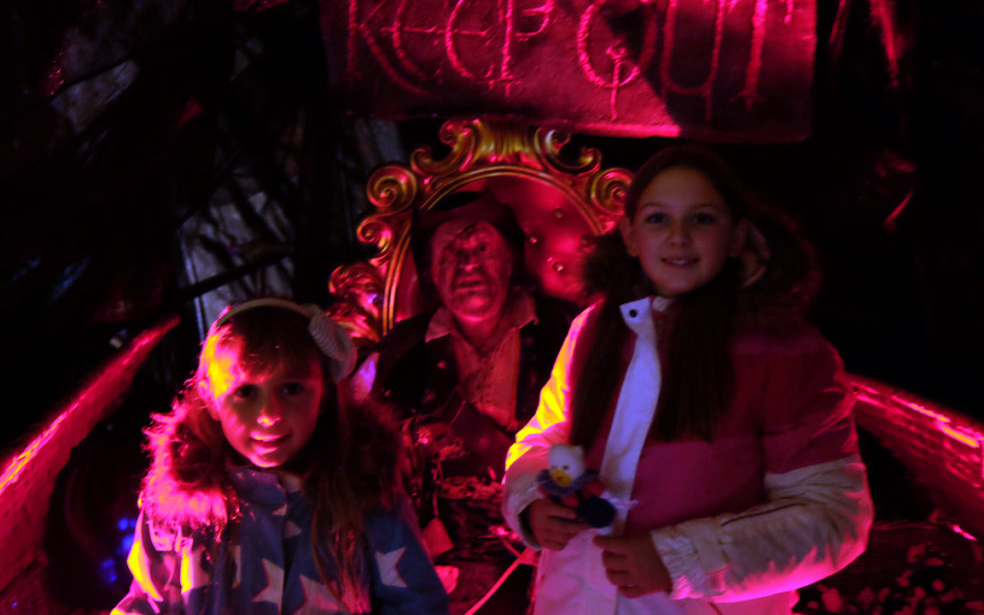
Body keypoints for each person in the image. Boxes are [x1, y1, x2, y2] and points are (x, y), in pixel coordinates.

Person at [502, 145, 874, 614]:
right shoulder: (594, 328)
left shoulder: (786, 354)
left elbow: (834, 518)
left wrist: (682, 559)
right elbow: (547, 436)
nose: (678, 238)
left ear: (737, 236)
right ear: (631, 235)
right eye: (658, 219)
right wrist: (536, 499)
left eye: (701, 219)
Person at [112, 298, 449, 614]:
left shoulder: (367, 495)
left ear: (324, 395)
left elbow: (418, 605)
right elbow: (148, 603)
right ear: (211, 398)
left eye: (291, 389)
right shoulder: (176, 507)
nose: (270, 415)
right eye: (246, 391)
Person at [365, 190, 577, 614]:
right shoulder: (400, 354)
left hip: (555, 549)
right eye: (449, 253)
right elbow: (375, 462)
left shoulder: (569, 331)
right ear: (429, 272)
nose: (467, 265)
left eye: (482, 248)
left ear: (510, 260)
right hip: (442, 569)